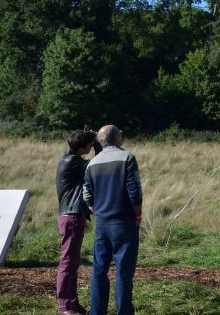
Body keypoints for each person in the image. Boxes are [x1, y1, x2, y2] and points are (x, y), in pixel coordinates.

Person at [83, 125, 142, 315]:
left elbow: (86, 195)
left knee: (99, 271)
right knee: (123, 272)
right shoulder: (127, 158)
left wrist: (97, 210)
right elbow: (134, 192)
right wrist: (138, 215)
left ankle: (97, 312)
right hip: (124, 222)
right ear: (116, 138)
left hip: (101, 223)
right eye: (120, 132)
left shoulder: (92, 164)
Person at [56, 129, 103, 315]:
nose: (91, 147)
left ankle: (72, 303)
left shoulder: (69, 159)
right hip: (72, 215)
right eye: (90, 144)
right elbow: (99, 163)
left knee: (72, 261)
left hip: (71, 214)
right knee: (68, 261)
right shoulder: (72, 162)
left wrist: (91, 138)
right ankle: (65, 305)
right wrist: (98, 141)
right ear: (83, 146)